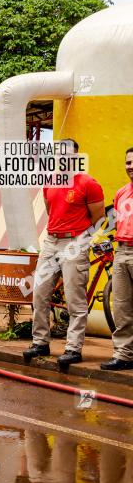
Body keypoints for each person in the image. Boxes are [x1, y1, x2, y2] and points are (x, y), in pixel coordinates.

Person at [24, 140, 105, 371]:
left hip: (75, 242)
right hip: (51, 241)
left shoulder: (88, 183)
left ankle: (73, 349)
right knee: (39, 294)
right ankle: (40, 343)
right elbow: (52, 211)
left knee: (74, 300)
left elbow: (98, 218)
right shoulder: (50, 182)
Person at [102, 147, 133, 371]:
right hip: (122, 251)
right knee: (121, 307)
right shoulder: (122, 193)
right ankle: (124, 355)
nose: (130, 166)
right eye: (128, 162)